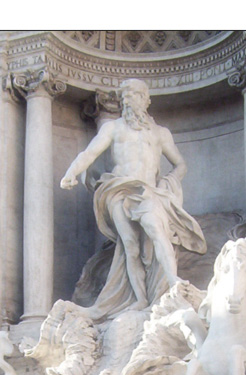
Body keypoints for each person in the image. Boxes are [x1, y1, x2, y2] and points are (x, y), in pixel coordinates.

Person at [60, 78, 206, 319]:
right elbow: (90, 153)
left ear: (146, 100)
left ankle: (172, 280)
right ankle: (140, 299)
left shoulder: (160, 133)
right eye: (125, 95)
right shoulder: (113, 128)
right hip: (118, 189)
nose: (129, 99)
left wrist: (167, 183)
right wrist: (71, 172)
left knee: (156, 230)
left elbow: (180, 165)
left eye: (135, 94)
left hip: (147, 191)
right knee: (129, 244)